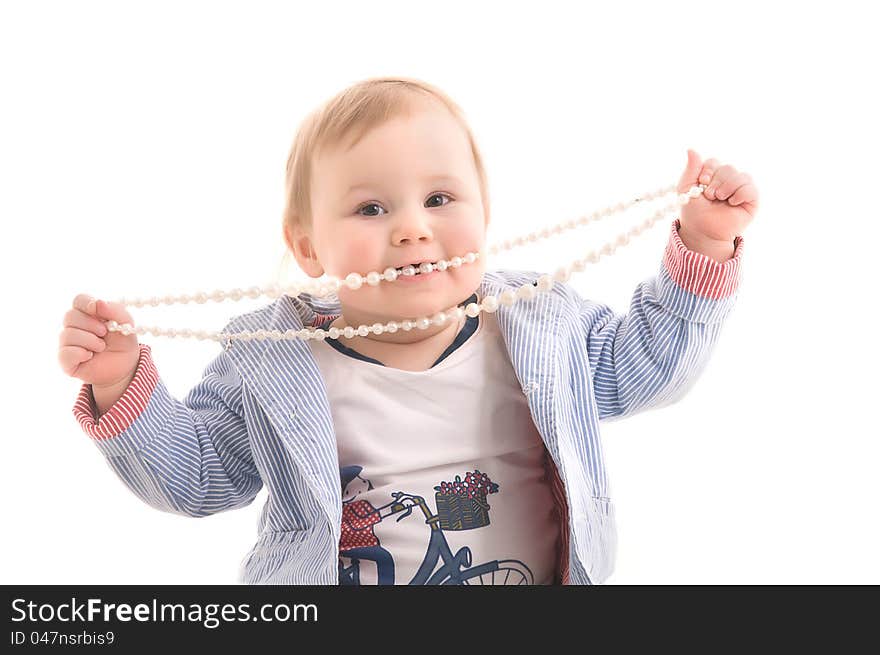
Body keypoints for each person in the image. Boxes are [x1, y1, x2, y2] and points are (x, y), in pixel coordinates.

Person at [57, 76, 758, 585]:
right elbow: (201, 477)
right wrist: (120, 383)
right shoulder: (271, 361)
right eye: (369, 208)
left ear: (484, 214)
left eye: (440, 198)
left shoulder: (540, 322)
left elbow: (648, 366)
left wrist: (702, 246)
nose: (413, 227)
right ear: (307, 248)